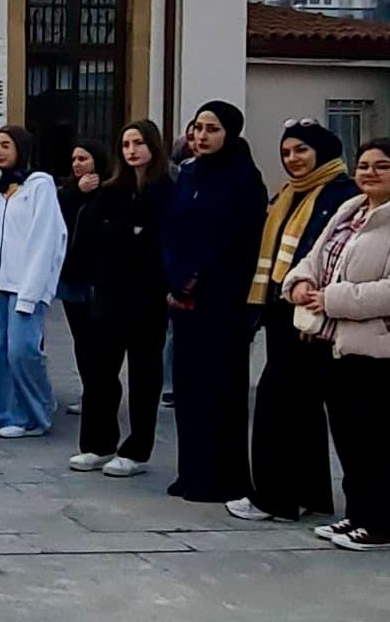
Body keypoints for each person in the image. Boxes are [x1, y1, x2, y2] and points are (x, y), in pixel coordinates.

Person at [282, 138, 390, 552]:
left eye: (382, 166)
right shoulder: (350, 212)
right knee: (351, 439)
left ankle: (380, 525)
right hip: (340, 346)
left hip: (388, 351)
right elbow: (315, 257)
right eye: (364, 165)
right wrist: (299, 283)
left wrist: (331, 299)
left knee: (383, 442)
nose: (370, 173)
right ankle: (356, 515)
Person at [226, 120, 357, 522]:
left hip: (314, 313)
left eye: (301, 150)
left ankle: (274, 497)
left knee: (277, 406)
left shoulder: (341, 195)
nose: (293, 159)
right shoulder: (290, 193)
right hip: (283, 313)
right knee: (299, 409)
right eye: (286, 153)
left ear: (323, 152)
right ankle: (307, 495)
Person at [163, 100, 267, 501]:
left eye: (212, 129)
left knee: (219, 390)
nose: (202, 136)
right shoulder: (188, 175)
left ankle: (222, 477)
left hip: (221, 299)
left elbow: (237, 238)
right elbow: (170, 229)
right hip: (182, 299)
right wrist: (174, 278)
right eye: (197, 128)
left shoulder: (242, 179)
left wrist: (196, 276)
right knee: (188, 389)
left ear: (230, 134)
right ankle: (191, 473)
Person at [69, 119, 172, 477]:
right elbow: (90, 236)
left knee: (144, 376)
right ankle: (98, 444)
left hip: (148, 299)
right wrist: (126, 234)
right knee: (99, 373)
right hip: (108, 295)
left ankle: (137, 450)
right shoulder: (111, 191)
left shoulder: (164, 189)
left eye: (139, 143)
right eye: (126, 143)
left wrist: (125, 235)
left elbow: (156, 242)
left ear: (153, 147)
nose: (132, 150)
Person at [0, 125, 66, 438]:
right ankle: (9, 413)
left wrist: (32, 290)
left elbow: (45, 237)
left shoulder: (39, 185)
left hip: (25, 285)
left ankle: (38, 410)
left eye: (5, 145)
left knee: (23, 349)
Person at [54, 140, 108, 423]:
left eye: (83, 159)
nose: (77, 165)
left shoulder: (109, 190)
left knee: (97, 339)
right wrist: (76, 191)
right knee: (81, 338)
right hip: (72, 274)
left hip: (97, 277)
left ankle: (100, 391)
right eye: (74, 159)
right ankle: (89, 390)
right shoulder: (67, 191)